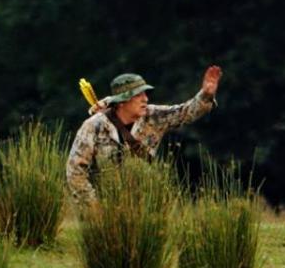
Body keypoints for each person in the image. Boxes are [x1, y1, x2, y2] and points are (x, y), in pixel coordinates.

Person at [65, 65, 223, 205]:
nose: (145, 99)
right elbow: (75, 169)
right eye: (138, 95)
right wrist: (92, 206)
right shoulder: (94, 126)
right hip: (104, 206)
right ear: (122, 101)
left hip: (145, 206)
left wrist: (205, 95)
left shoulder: (153, 116)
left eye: (145, 94)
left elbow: (185, 113)